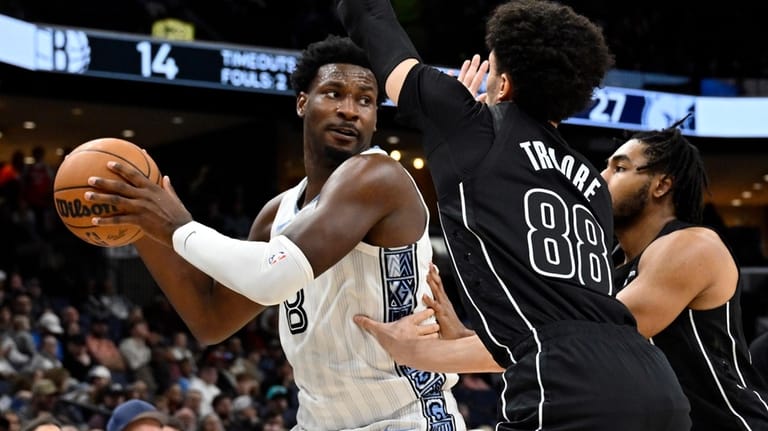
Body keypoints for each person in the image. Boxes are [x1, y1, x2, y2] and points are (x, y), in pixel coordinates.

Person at [334, 0, 691, 429]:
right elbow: (557, 312)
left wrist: (457, 114)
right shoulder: (593, 186)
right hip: (654, 380)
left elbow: (372, 20)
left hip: (565, 386)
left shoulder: (473, 127)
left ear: (502, 84)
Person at [82, 35, 466, 430]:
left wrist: (177, 226)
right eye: (334, 93)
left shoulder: (378, 176)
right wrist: (140, 222)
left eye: (365, 100)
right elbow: (211, 319)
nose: (350, 110)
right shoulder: (276, 215)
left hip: (405, 419)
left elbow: (271, 277)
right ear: (302, 102)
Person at [603, 121, 768, 429]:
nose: (601, 178)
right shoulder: (607, 263)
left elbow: (593, 337)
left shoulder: (692, 245)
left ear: (661, 185)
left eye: (619, 169)